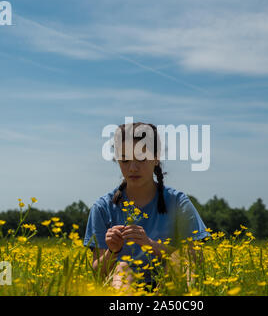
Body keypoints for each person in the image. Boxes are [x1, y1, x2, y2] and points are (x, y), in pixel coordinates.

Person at [83, 121, 210, 292]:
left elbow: (196, 261)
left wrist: (151, 245)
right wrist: (112, 251)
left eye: (141, 158)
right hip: (122, 287)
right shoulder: (102, 208)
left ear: (156, 158)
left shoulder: (178, 202)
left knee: (177, 259)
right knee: (122, 268)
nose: (133, 168)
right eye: (125, 160)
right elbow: (98, 273)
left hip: (169, 284)